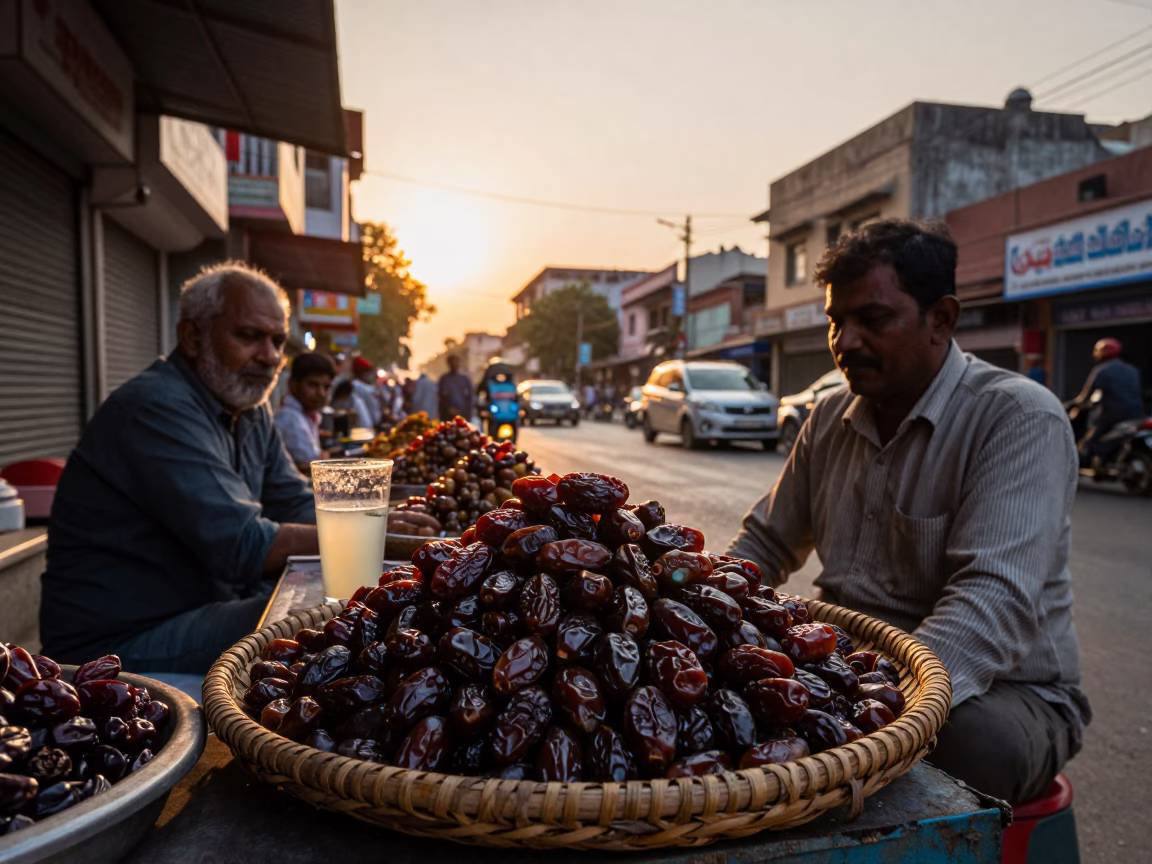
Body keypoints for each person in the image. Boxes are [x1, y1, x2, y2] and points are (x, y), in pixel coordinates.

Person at [728, 220, 1089, 805]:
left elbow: (989, 601)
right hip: (853, 674)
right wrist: (707, 617)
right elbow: (764, 547)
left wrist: (874, 706)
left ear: (940, 320)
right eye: (835, 322)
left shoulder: (1019, 418)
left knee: (963, 746)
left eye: (872, 320)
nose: (845, 341)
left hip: (1000, 690)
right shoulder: (826, 419)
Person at [41, 262, 321, 674]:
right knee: (321, 618)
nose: (271, 356)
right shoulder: (156, 406)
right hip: (116, 643)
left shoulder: (250, 408)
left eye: (278, 341)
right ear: (192, 336)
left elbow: (292, 499)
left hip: (203, 608)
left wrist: (383, 526)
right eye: (249, 336)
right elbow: (244, 546)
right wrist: (370, 535)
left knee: (331, 599)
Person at [1069, 337, 1144, 463]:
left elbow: (1084, 398)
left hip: (1111, 415)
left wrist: (1070, 405)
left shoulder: (1102, 371)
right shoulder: (1133, 370)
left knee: (1090, 441)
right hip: (1137, 413)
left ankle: (1083, 460)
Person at [274, 352, 335, 472]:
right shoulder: (290, 419)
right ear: (293, 385)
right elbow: (318, 467)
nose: (321, 393)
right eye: (313, 385)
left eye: (326, 387)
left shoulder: (307, 416)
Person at [438, 354, 474, 421]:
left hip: (463, 415)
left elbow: (470, 398)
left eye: (456, 362)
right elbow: (441, 398)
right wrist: (448, 409)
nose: (454, 364)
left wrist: (468, 414)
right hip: (448, 416)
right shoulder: (444, 379)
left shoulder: (465, 379)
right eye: (452, 363)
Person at [350, 356, 382, 429]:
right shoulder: (356, 385)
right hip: (363, 427)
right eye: (366, 371)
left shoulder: (365, 386)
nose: (369, 374)